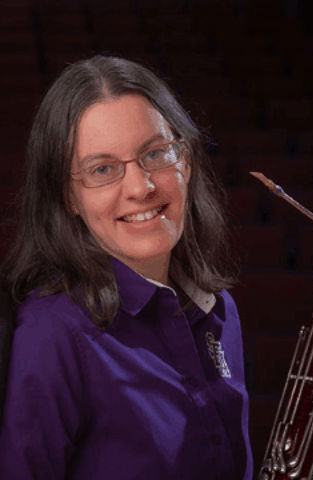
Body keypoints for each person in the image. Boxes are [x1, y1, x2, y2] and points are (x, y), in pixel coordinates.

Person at [0, 55, 253, 479]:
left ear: (186, 162)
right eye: (102, 169)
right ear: (67, 196)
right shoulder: (51, 333)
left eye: (155, 154)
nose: (141, 187)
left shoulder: (220, 312)